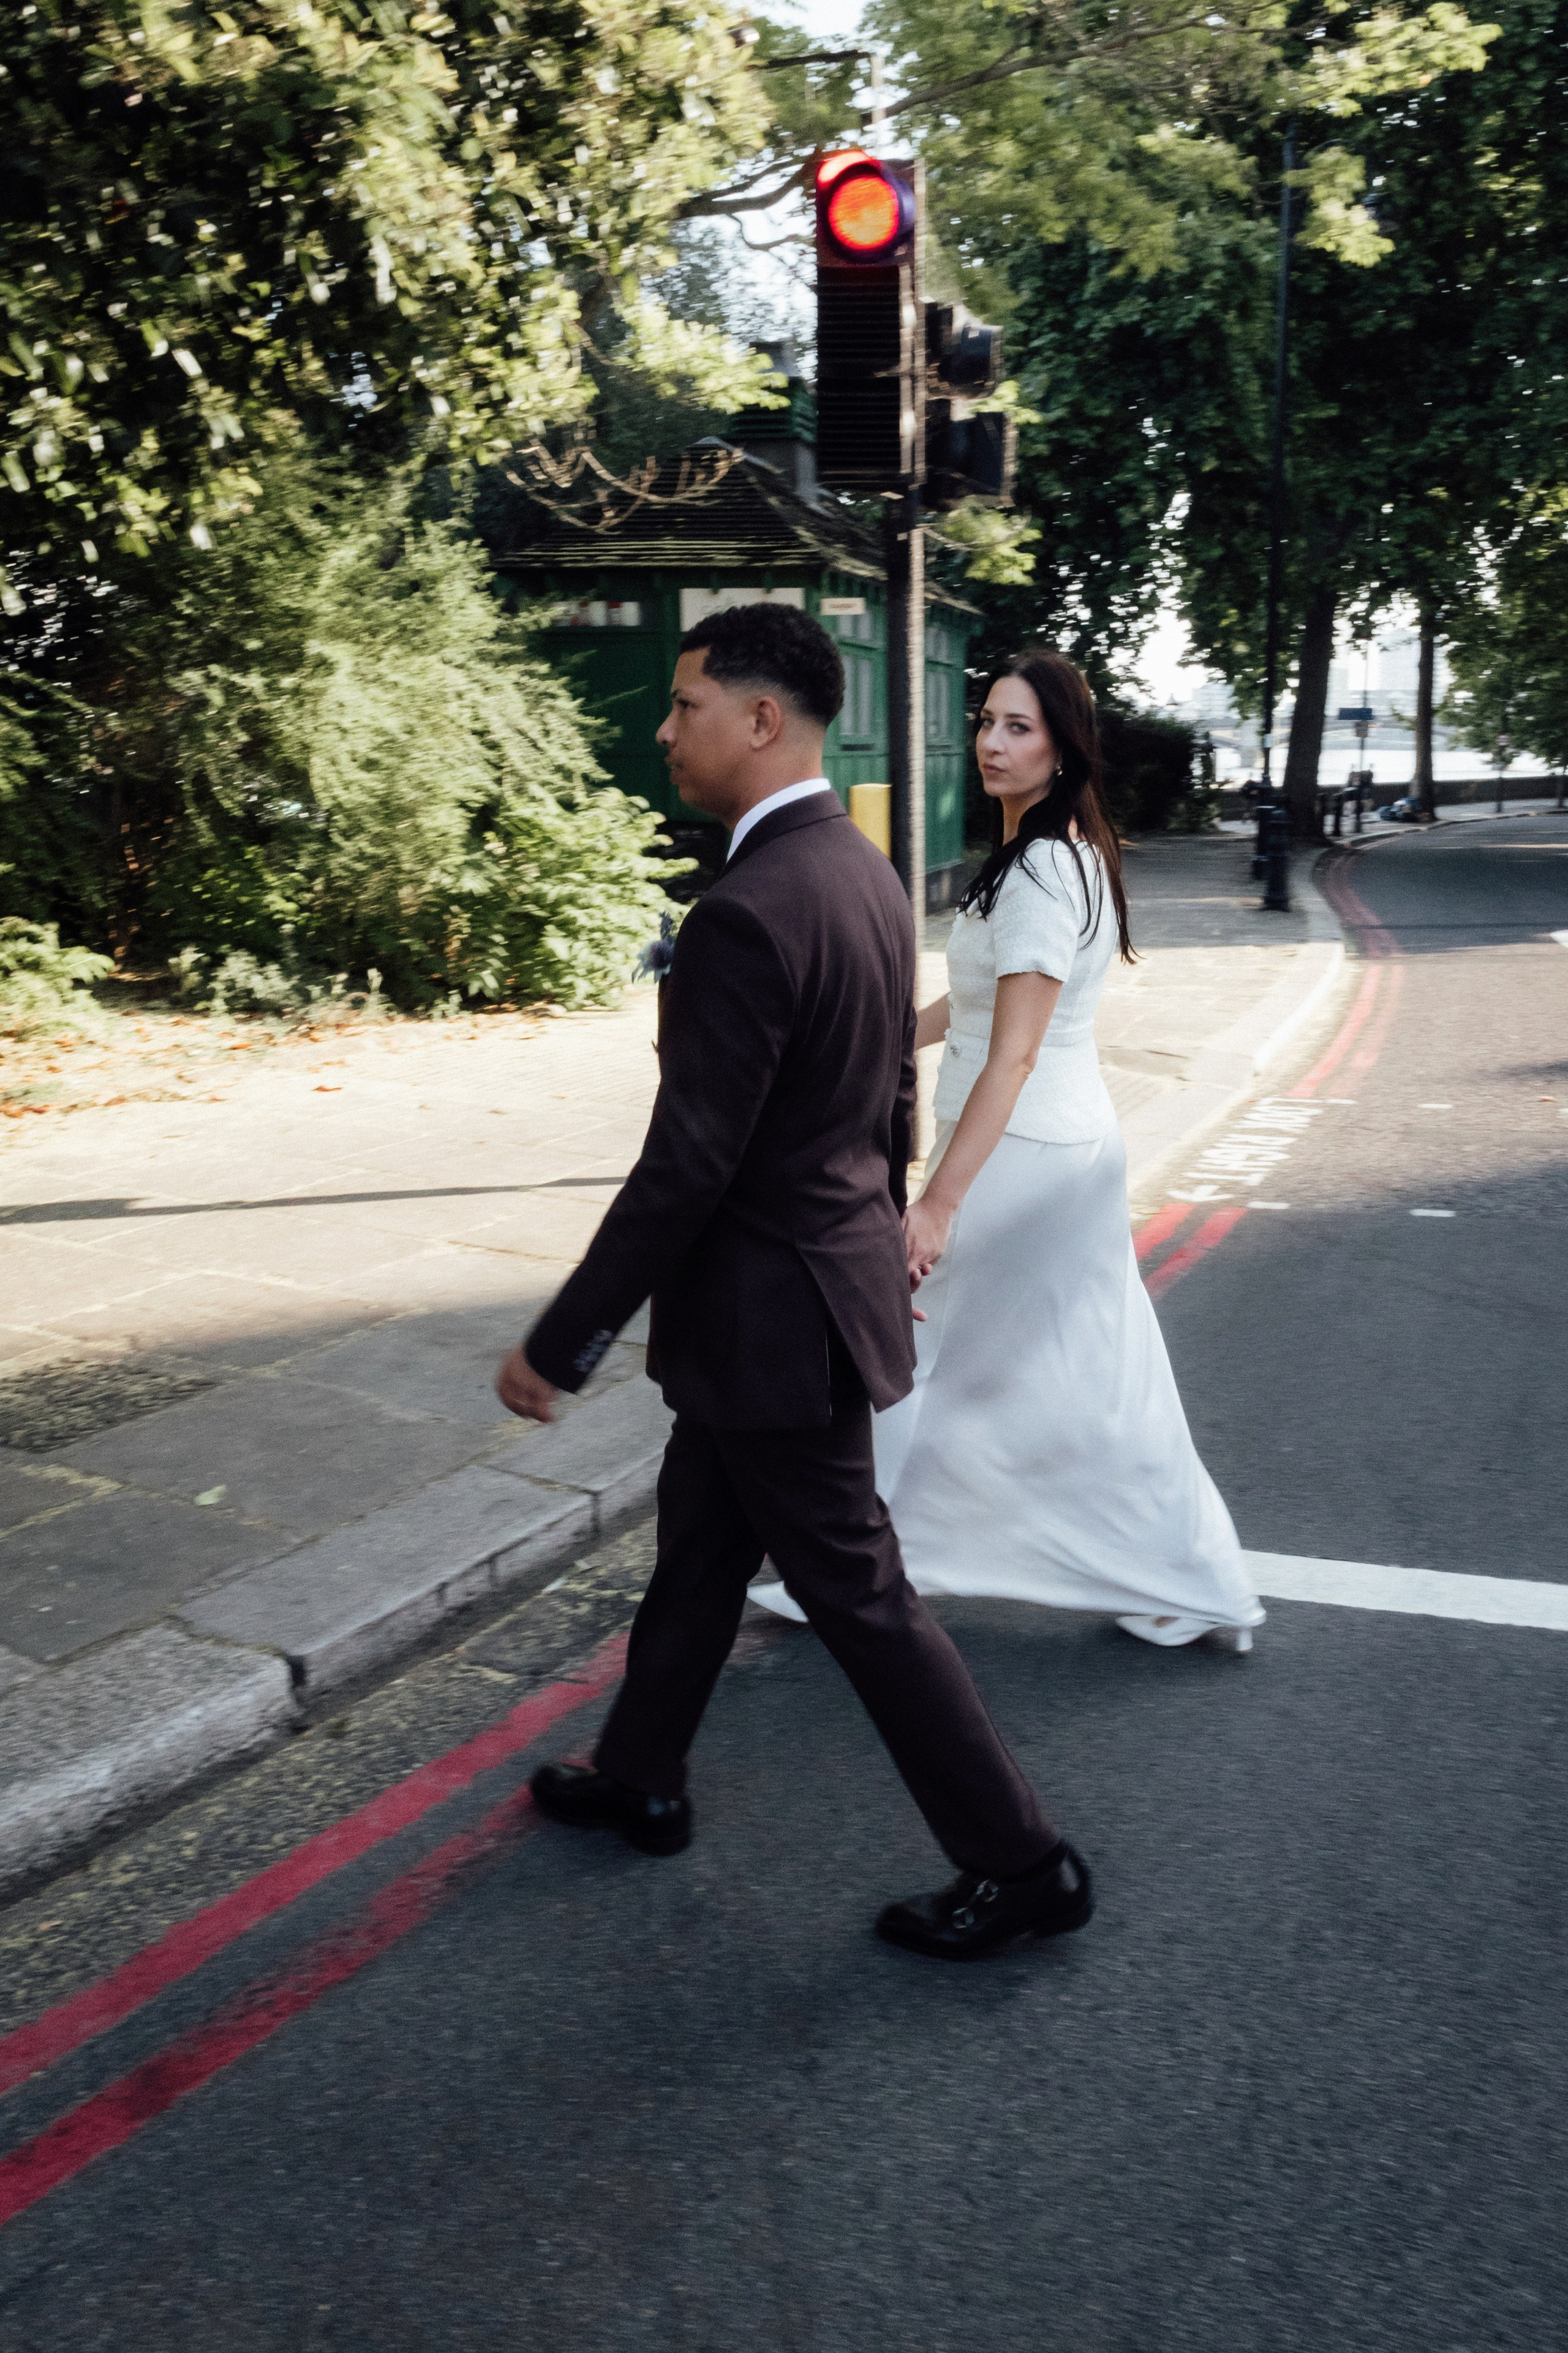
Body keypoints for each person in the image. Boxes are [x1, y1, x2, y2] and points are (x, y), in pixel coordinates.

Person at [495, 605, 1092, 1961]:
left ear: (762, 719)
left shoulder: (748, 911)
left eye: (685, 703)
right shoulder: (862, 874)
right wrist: (879, 1227)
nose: (666, 730)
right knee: (701, 1546)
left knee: (860, 1596)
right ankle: (642, 1774)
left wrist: (564, 1337)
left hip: (774, 1324)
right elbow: (884, 1094)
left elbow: (686, 1167)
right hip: (788, 1309)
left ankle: (1024, 1862)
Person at [749, 649, 1264, 1652]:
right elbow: (984, 1004)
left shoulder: (1038, 874)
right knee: (1100, 1372)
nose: (992, 741)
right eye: (988, 720)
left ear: (1063, 746)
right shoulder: (1063, 852)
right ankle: (1193, 1578)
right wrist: (886, 1037)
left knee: (902, 1343)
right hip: (1068, 1147)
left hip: (1022, 1157)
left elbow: (1016, 1055)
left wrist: (939, 1201)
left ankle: (849, 1564)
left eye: (1018, 726)